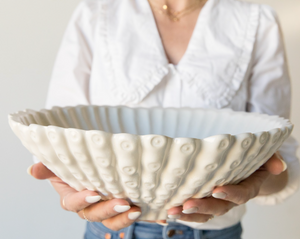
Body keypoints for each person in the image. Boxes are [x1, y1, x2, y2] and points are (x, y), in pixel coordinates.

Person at [27, 0, 300, 238]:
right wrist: (67, 189)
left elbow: (278, 165)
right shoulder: (95, 14)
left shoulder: (257, 21)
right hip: (112, 231)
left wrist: (255, 183)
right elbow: (55, 139)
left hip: (214, 232)